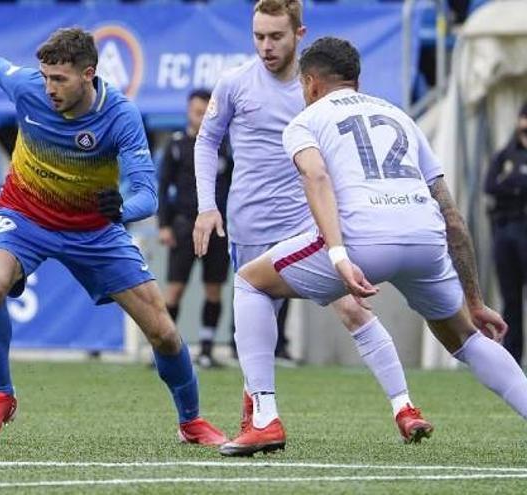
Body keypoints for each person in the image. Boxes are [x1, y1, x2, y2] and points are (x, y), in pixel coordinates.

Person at [0, 27, 227, 445]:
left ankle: (191, 422)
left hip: (93, 230)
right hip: (25, 214)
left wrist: (122, 208)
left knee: (162, 331)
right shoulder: (29, 88)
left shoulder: (120, 115)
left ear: (89, 74)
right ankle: (1, 394)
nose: (49, 88)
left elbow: (146, 196)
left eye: (59, 79)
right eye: (45, 76)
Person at [215, 36, 527, 457]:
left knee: (251, 282)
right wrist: (473, 298)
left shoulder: (305, 121)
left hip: (363, 241)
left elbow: (316, 178)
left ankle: (264, 419)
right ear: (356, 80)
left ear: (308, 84)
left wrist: (339, 253)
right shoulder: (400, 115)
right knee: (467, 338)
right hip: (424, 238)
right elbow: (451, 215)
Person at [193, 0, 430, 450]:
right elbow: (208, 141)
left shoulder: (318, 89)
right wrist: (208, 206)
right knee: (255, 328)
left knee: (353, 308)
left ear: (299, 34)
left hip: (306, 222)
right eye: (258, 36)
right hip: (249, 225)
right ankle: (260, 417)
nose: (265, 46)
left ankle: (404, 406)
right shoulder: (235, 83)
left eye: (276, 36)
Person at [157, 89, 233, 369]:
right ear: (189, 111)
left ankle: (206, 348)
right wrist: (164, 224)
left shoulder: (223, 145)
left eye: (205, 113)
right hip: (185, 225)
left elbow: (233, 184)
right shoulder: (177, 145)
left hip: (218, 228)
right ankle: (166, 350)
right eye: (196, 112)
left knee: (213, 290)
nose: (201, 118)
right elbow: (164, 188)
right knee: (174, 289)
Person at [484, 103, 527, 365]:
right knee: (511, 298)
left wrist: (512, 183)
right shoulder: (506, 155)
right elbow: (491, 186)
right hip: (506, 229)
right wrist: (517, 185)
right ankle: (512, 358)